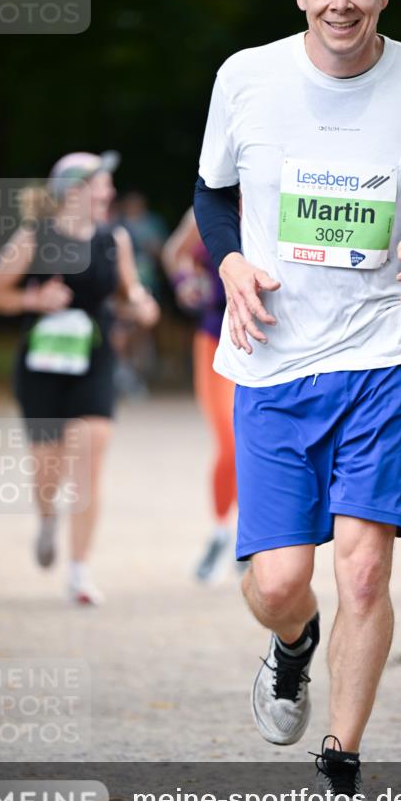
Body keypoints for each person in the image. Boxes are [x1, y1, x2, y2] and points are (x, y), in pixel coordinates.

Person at [194, 0, 401, 801]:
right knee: (280, 581)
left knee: (361, 572)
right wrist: (231, 261)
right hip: (273, 354)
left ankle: (341, 760)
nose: (340, 5)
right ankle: (291, 645)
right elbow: (208, 194)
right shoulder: (246, 76)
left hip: (376, 350)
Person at [0, 152, 160, 605]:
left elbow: (127, 293)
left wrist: (141, 304)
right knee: (48, 469)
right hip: (41, 366)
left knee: (90, 458)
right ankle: (46, 518)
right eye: (102, 184)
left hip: (94, 359)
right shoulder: (33, 237)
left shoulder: (111, 239)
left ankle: (79, 571)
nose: (110, 193)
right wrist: (34, 299)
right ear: (74, 191)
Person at [162, 208, 239, 582]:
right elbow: (175, 252)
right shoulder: (208, 208)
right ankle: (222, 533)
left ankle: (252, 538)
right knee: (229, 441)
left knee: (259, 443)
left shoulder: (280, 201)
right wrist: (184, 281)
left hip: (269, 344)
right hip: (214, 337)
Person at [110, 192, 168, 397]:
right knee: (121, 333)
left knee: (139, 332)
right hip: (120, 291)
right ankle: (124, 374)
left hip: (144, 285)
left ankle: (134, 373)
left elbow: (162, 252)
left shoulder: (148, 225)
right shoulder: (119, 227)